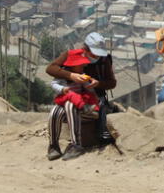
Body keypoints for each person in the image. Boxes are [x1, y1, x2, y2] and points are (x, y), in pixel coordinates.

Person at [46, 32, 117, 161]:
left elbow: (112, 83)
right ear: (85, 50)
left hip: (91, 98)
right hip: (70, 95)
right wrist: (70, 76)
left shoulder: (104, 60)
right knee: (55, 112)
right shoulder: (71, 55)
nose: (95, 57)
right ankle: (53, 145)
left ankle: (76, 144)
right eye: (93, 54)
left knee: (70, 105)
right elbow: (50, 69)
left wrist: (98, 84)